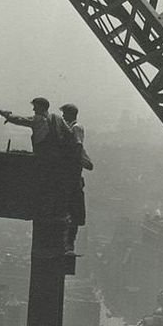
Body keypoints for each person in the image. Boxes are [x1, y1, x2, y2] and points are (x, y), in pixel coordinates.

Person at [0, 98, 81, 255]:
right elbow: (69, 138)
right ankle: (63, 237)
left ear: (41, 108)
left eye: (35, 107)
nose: (34, 110)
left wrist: (6, 115)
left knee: (46, 198)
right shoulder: (57, 119)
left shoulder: (39, 120)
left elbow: (21, 120)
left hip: (44, 163)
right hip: (57, 165)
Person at [59, 103, 93, 252]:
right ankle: (67, 242)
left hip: (72, 178)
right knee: (71, 211)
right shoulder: (71, 127)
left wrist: (72, 163)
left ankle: (69, 243)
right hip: (72, 177)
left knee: (72, 211)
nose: (63, 116)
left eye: (65, 113)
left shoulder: (76, 128)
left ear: (70, 114)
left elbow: (77, 146)